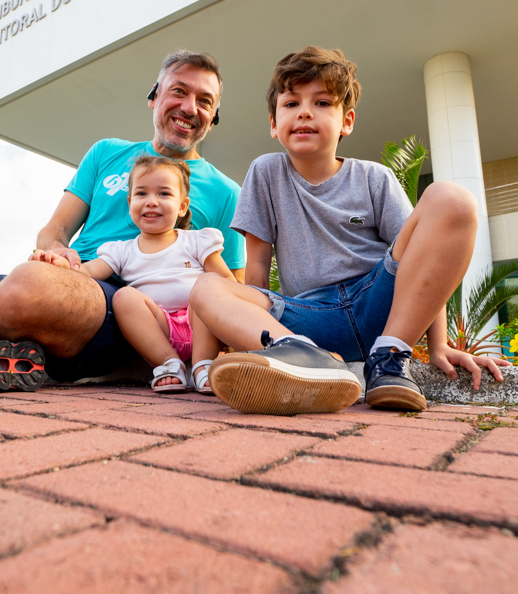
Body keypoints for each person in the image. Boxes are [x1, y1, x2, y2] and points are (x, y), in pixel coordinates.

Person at [0, 50, 245, 397]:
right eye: (179, 91)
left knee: (28, 285)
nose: (190, 107)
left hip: (128, 308)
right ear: (154, 97)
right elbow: (54, 230)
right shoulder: (106, 152)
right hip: (68, 275)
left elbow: (234, 290)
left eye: (205, 101)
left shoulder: (227, 192)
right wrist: (56, 253)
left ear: (213, 118)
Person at [190, 45, 506, 415]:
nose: (305, 111)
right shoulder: (266, 172)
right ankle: (300, 357)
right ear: (274, 124)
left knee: (453, 199)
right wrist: (251, 342)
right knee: (206, 286)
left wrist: (438, 346)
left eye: (322, 103)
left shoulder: (374, 178)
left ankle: (389, 360)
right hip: (307, 318)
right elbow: (257, 267)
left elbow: (423, 259)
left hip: (379, 303)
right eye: (291, 104)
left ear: (347, 121)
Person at [47, 154, 235, 392]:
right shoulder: (122, 250)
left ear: (182, 206)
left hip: (202, 323)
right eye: (141, 193)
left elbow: (227, 281)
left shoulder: (197, 241)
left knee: (209, 284)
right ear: (129, 203)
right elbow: (89, 270)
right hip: (160, 329)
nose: (151, 201)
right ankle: (168, 363)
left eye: (164, 193)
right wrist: (67, 266)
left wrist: (231, 322)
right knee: (124, 297)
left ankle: (202, 365)